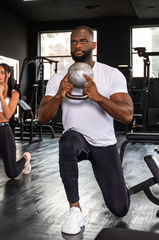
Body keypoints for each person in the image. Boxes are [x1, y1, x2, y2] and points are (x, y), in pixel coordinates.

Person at [38, 26, 133, 235]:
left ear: (93, 45)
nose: (77, 46)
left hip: (104, 144)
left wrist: (98, 97)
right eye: (73, 42)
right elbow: (42, 117)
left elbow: (127, 115)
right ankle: (75, 210)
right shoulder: (59, 79)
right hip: (77, 140)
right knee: (67, 141)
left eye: (83, 41)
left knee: (120, 208)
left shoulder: (111, 74)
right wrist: (58, 96)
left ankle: (120, 189)